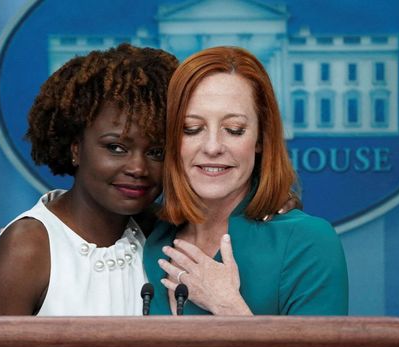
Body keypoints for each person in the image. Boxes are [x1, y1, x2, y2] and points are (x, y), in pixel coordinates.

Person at [0, 44, 178, 315]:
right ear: (76, 147)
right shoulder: (28, 247)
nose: (138, 168)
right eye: (116, 148)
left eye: (156, 152)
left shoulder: (168, 234)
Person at [144, 46, 349, 316]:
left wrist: (228, 307)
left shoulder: (308, 242)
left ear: (261, 139)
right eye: (191, 129)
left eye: (234, 130)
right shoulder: (148, 236)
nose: (213, 146)